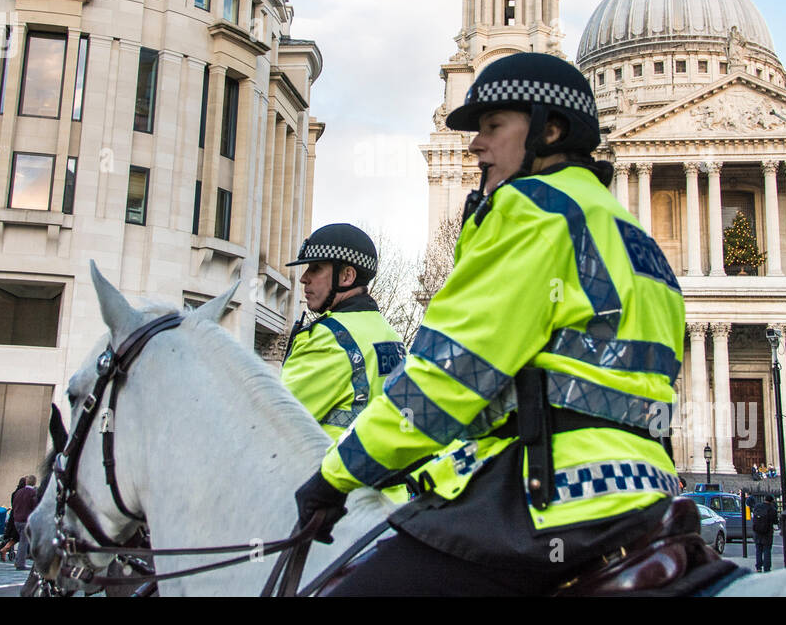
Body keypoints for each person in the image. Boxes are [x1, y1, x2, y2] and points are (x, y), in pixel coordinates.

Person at [292, 53, 688, 595]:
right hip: (648, 491)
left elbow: (447, 380)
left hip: (553, 494)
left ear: (550, 130)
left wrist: (336, 477)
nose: (476, 144)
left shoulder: (532, 210)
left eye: (494, 127)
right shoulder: (637, 239)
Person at [280, 224, 406, 440]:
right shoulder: (392, 336)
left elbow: (272, 419)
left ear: (347, 276)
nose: (304, 278)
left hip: (325, 469)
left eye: (316, 268)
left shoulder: (328, 338)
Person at [12, 474, 39, 569]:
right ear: (34, 482)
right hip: (26, 520)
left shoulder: (18, 492)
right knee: (23, 542)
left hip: (17, 519)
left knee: (22, 541)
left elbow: (14, 504)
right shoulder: (33, 493)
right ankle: (20, 563)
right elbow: (35, 507)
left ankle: (18, 561)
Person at [752, 496, 776, 572]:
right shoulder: (772, 509)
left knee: (758, 550)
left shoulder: (757, 506)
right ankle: (767, 567)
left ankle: (758, 567)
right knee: (767, 550)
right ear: (771, 501)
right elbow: (775, 521)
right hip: (767, 532)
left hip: (757, 531)